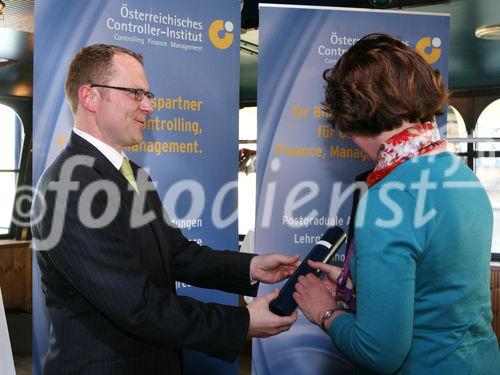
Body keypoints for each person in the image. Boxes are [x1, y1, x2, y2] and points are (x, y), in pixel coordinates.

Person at [31, 44, 299, 374]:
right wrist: (242, 321)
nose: (149, 106)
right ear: (90, 97)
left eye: (148, 94)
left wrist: (252, 267)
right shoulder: (67, 187)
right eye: (135, 93)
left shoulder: (132, 175)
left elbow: (176, 253)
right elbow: (136, 305)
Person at [294, 33, 500, 374]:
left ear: (349, 117)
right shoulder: (461, 175)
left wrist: (326, 312)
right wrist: (356, 284)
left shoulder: (388, 197)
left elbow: (379, 352)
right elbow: (439, 286)